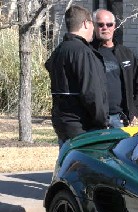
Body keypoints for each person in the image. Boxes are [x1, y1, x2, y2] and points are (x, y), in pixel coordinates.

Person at [45, 5, 108, 147]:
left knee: (67, 165)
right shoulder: (82, 52)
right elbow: (91, 92)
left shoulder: (59, 50)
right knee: (84, 168)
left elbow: (49, 66)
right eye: (93, 23)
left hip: (62, 124)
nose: (94, 28)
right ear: (86, 23)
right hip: (83, 128)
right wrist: (103, 121)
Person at [92, 9, 138, 128]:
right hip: (95, 120)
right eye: (100, 24)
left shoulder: (125, 53)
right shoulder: (88, 52)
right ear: (94, 26)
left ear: (114, 27)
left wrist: (134, 113)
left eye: (109, 24)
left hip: (120, 119)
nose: (105, 28)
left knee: (120, 147)